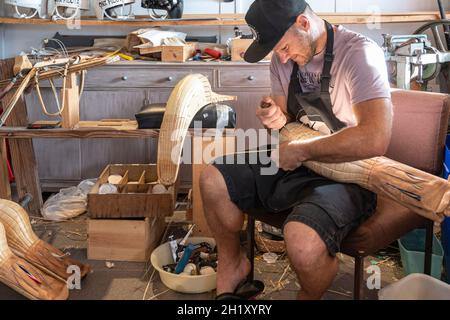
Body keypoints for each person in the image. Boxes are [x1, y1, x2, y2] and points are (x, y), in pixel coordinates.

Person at [200, 0, 393, 300]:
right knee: (212, 179)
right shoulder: (284, 58)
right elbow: (283, 119)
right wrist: (272, 116)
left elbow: (375, 137)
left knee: (301, 242)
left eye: (283, 46)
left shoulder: (359, 54)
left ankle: (309, 292)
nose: (281, 55)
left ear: (303, 23)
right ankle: (232, 262)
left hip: (348, 172)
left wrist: (303, 150)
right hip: (296, 159)